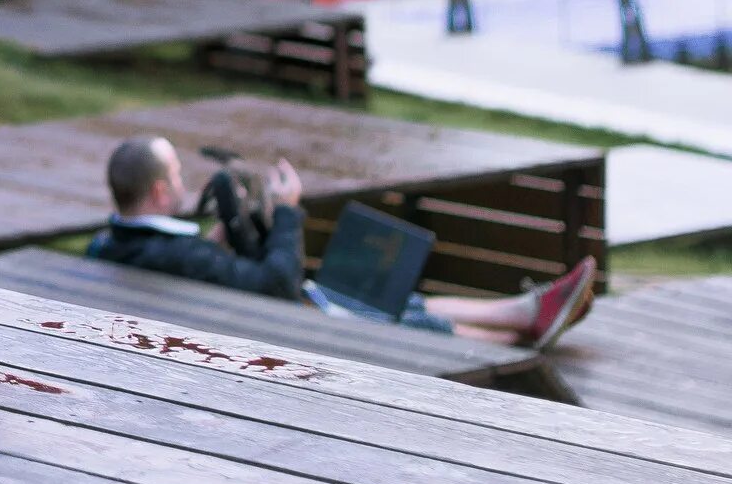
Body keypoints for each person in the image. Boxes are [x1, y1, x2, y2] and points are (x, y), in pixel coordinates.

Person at [88, 135, 597, 347]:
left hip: (244, 321)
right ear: (158, 191)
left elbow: (193, 266)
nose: (182, 184)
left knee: (390, 297)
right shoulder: (171, 252)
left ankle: (526, 311)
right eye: (175, 176)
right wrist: (287, 214)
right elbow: (277, 282)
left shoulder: (108, 248)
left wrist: (219, 239)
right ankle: (520, 341)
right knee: (401, 316)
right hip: (284, 331)